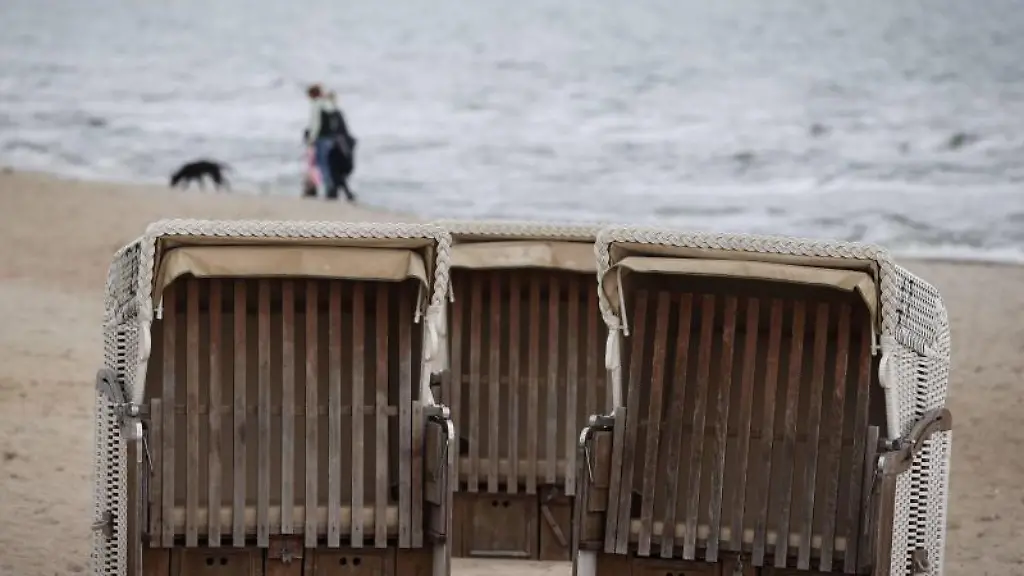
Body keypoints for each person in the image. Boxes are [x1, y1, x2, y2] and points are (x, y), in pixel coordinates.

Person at [304, 84, 356, 200]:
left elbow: (315, 124)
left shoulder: (316, 106)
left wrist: (311, 139)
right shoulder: (329, 106)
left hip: (321, 138)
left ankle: (329, 188)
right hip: (332, 139)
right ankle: (332, 188)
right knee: (329, 164)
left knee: (322, 164)